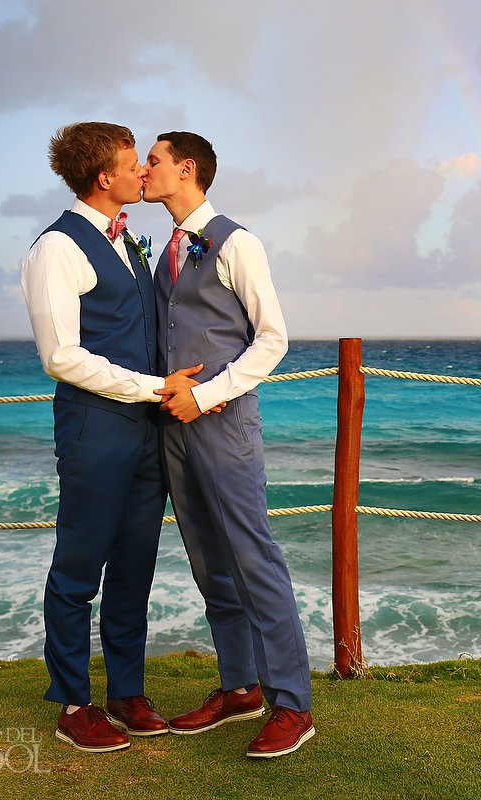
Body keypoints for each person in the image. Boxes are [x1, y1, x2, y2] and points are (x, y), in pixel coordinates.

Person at [20, 122, 209, 752]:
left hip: (145, 434)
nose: (142, 173)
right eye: (134, 164)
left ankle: (127, 693)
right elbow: (60, 357)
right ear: (106, 178)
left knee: (135, 568)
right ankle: (74, 702)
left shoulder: (130, 241)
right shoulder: (57, 248)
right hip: (95, 430)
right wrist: (152, 387)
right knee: (78, 570)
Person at [143, 131, 315, 759]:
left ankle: (292, 704)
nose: (143, 168)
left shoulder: (237, 242)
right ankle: (240, 688)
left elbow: (272, 340)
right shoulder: (163, 249)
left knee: (252, 558)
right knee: (209, 565)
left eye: (154, 160)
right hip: (172, 428)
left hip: (222, 424)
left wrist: (208, 395)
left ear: (186, 170)